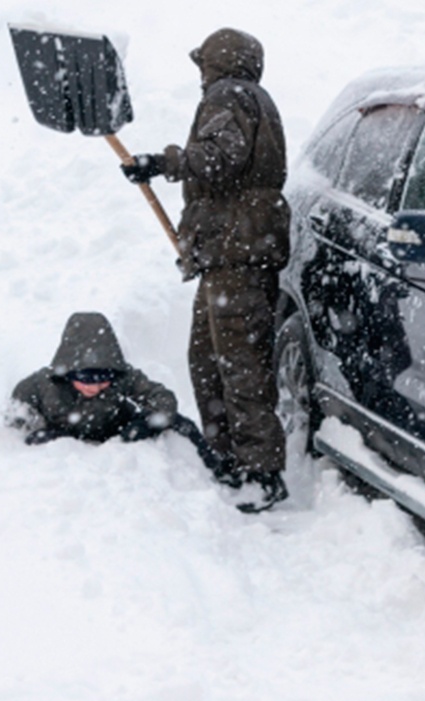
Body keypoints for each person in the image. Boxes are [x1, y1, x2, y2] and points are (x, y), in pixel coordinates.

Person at [120, 27, 289, 509]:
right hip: (232, 253)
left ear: (217, 63)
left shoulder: (228, 94)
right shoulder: (255, 97)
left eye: (203, 66)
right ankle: (227, 458)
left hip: (236, 253)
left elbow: (222, 158)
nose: (201, 76)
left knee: (238, 365)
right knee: (209, 358)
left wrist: (163, 161)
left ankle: (259, 473)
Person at [10, 312, 274, 512]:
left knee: (182, 425)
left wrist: (148, 422)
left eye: (104, 378)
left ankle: (219, 474)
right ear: (67, 372)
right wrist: (38, 432)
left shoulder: (124, 378)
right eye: (87, 379)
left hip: (114, 428)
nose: (96, 386)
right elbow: (15, 414)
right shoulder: (42, 385)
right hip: (65, 431)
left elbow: (163, 397)